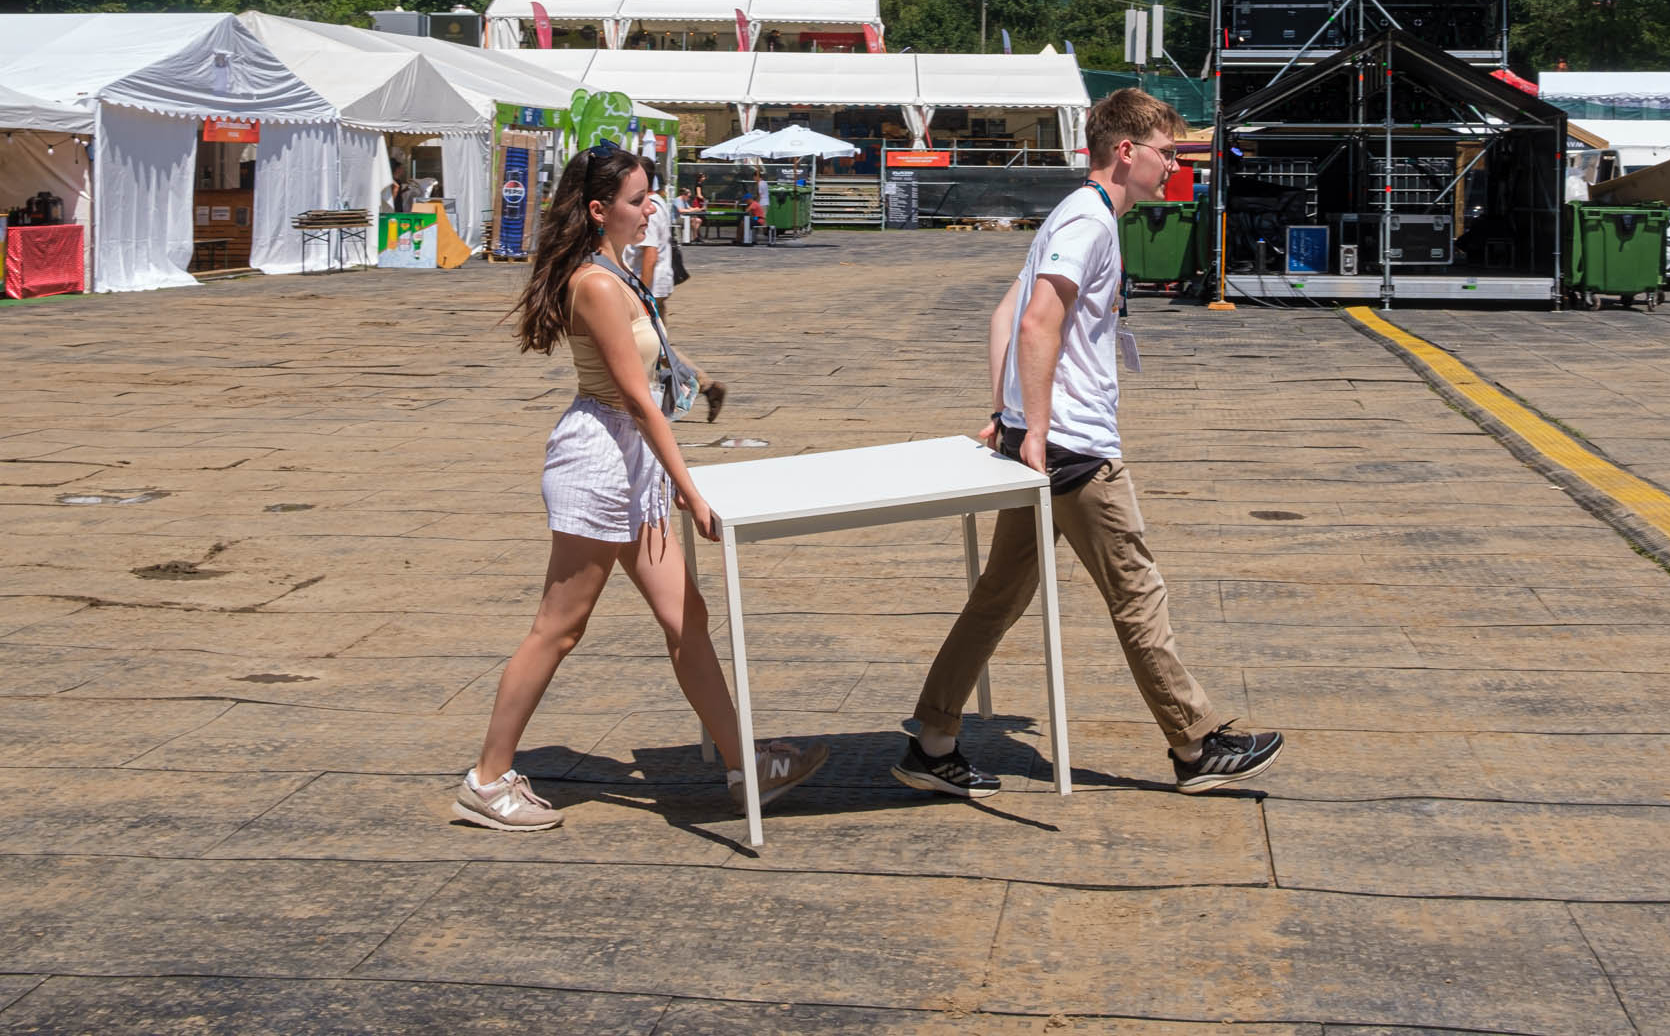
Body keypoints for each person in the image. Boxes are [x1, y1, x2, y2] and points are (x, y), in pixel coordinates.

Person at [892, 89, 1284, 800]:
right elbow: (1036, 321)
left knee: (999, 596)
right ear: (1126, 151)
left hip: (1042, 443)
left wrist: (1009, 414)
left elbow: (1002, 316)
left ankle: (934, 741)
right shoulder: (1091, 223)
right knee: (1137, 593)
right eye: (1168, 152)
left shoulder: (1072, 215)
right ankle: (1195, 745)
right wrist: (1034, 427)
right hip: (1074, 451)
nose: (1174, 166)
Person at [455, 146, 823, 830]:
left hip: (634, 463)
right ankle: (486, 779)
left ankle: (748, 765)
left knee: (688, 618)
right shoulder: (594, 284)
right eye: (636, 198)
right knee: (559, 629)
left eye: (650, 195)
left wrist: (697, 387)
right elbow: (636, 397)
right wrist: (692, 487)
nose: (650, 206)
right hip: (599, 462)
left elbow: (651, 365)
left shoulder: (618, 273)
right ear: (600, 210)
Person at [634, 158, 728, 422]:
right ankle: (704, 387)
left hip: (650, 283)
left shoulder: (648, 207)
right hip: (659, 282)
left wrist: (642, 291)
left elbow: (649, 253)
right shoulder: (661, 203)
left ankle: (698, 388)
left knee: (651, 347)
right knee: (656, 347)